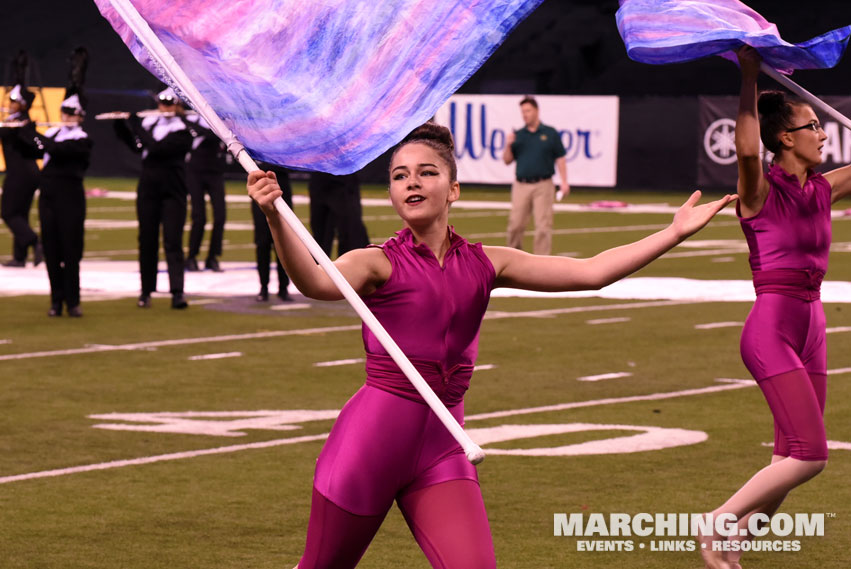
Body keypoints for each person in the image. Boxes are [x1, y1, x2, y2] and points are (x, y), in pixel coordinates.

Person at [248, 122, 735, 568]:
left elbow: (593, 273)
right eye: (399, 176)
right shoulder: (376, 263)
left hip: (443, 450)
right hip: (368, 446)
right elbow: (313, 282)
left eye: (426, 172)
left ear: (453, 189)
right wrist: (273, 216)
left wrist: (672, 233)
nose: (411, 183)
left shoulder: (488, 263)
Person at [697, 47, 851, 569]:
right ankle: (716, 525)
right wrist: (746, 77)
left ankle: (733, 548)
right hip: (773, 329)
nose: (824, 133)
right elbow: (745, 149)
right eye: (814, 125)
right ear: (786, 138)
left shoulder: (824, 189)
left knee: (788, 457)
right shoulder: (760, 189)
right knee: (811, 456)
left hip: (813, 324)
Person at [114, 87, 193, 309]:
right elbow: (137, 147)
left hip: (173, 190)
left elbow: (156, 149)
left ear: (177, 106)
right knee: (147, 240)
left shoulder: (183, 132)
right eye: (161, 103)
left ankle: (177, 292)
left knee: (172, 241)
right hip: (148, 189)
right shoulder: (150, 126)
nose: (164, 108)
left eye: (169, 104)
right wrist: (122, 125)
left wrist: (136, 125)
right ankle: (146, 290)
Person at [34, 92, 92, 317]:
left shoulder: (82, 140)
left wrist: (34, 132)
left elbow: (59, 152)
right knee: (51, 250)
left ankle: (73, 301)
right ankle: (56, 300)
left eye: (70, 113)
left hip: (71, 199)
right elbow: (32, 151)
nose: (65, 117)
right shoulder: (52, 134)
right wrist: (21, 131)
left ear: (79, 116)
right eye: (64, 112)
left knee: (71, 250)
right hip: (48, 197)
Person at [502, 96, 569, 256]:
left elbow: (560, 158)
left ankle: (541, 263)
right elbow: (507, 160)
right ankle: (513, 259)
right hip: (521, 185)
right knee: (515, 225)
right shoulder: (518, 134)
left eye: (528, 111)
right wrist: (508, 144)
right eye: (523, 111)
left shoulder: (550, 133)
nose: (525, 114)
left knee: (543, 226)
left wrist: (564, 182)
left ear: (536, 111)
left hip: (543, 184)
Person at [0, 83, 42, 267]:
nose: (10, 103)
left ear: (22, 104)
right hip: (29, 173)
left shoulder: (18, 123)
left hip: (20, 173)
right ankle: (20, 257)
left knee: (8, 213)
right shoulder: (18, 121)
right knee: (20, 213)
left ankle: (34, 242)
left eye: (14, 101)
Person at [184, 108, 227, 273]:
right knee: (199, 216)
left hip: (215, 172)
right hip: (195, 172)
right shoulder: (193, 118)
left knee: (220, 216)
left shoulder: (219, 120)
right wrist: (184, 118)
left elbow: (212, 135)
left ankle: (213, 257)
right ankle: (192, 257)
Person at [252, 161, 292, 301]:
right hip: (261, 185)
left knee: (283, 240)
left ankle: (283, 288)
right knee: (262, 242)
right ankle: (263, 287)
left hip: (281, 184)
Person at [308, 171, 370, 257]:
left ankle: (352, 266)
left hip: (343, 176)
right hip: (320, 175)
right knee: (319, 232)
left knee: (350, 231)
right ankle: (317, 267)